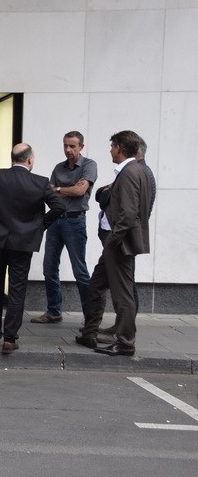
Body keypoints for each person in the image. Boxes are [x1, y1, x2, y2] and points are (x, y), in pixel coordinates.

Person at [0, 144, 64, 354]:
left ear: (13, 159)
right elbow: (59, 207)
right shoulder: (40, 182)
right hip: (23, 241)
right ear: (30, 160)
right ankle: (10, 338)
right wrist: (40, 226)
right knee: (17, 288)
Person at [77, 131, 153, 356]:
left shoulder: (130, 172)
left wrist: (114, 240)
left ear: (120, 147)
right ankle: (89, 333)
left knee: (123, 295)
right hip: (117, 242)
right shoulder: (136, 170)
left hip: (118, 244)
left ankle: (125, 343)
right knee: (97, 285)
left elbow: (129, 213)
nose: (110, 150)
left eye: (112, 146)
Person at [31, 131, 98, 325]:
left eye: (72, 146)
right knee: (49, 268)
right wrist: (63, 191)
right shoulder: (58, 167)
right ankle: (54, 311)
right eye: (65, 146)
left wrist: (60, 189)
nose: (68, 150)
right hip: (55, 220)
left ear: (81, 147)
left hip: (75, 221)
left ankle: (90, 318)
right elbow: (48, 193)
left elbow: (80, 190)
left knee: (80, 270)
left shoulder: (89, 165)